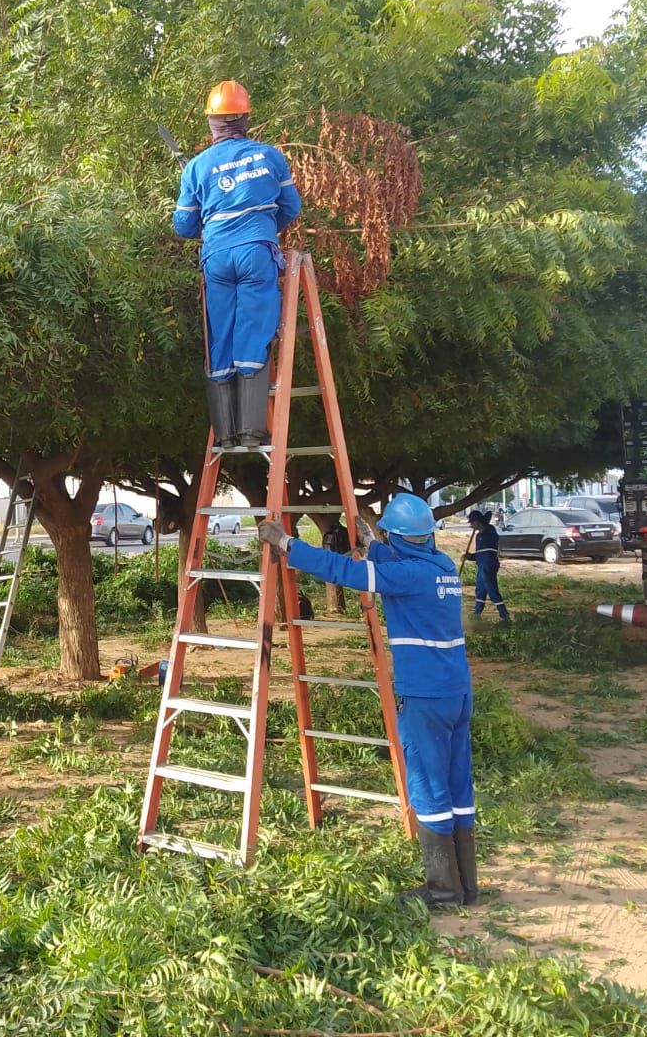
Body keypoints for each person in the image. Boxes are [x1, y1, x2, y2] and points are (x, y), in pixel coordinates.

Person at [257, 493, 478, 909]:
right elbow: (398, 564)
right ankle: (467, 886)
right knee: (457, 785)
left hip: (425, 696)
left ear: (397, 537)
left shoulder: (405, 576)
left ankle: (443, 891)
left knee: (428, 787)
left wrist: (287, 544)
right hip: (457, 692)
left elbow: (343, 571)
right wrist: (374, 543)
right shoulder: (442, 566)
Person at [173, 80, 301, 451]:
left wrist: (213, 222)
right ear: (244, 118)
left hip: (216, 257)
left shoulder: (196, 168)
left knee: (221, 336)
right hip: (255, 253)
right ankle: (250, 430)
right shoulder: (270, 156)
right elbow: (291, 207)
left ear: (212, 121)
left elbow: (182, 225)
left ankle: (226, 435)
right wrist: (260, 231)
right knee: (255, 329)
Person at [468, 509, 509, 621]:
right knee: (480, 591)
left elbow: (489, 551)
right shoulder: (478, 536)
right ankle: (477, 613)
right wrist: (470, 556)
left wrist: (483, 528)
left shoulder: (490, 533)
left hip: (489, 566)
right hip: (481, 566)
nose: (471, 525)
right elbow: (480, 554)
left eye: (472, 523)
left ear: (477, 522)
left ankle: (504, 615)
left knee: (492, 590)